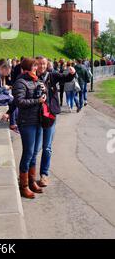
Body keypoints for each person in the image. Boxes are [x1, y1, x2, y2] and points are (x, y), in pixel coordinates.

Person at [35, 56, 76, 188]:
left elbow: (66, 78)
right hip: (35, 116)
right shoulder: (31, 76)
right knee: (35, 149)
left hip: (50, 115)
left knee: (47, 147)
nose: (42, 66)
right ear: (36, 64)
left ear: (47, 65)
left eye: (44, 64)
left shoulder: (52, 75)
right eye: (39, 64)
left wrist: (72, 73)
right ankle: (29, 175)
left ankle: (44, 175)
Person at [12, 58, 46, 199]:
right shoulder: (20, 82)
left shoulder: (36, 80)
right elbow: (20, 102)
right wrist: (37, 100)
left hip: (38, 120)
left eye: (36, 66)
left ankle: (32, 182)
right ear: (26, 68)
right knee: (28, 153)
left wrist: (44, 92)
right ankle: (24, 186)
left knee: (34, 154)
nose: (36, 68)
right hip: (27, 122)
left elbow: (41, 98)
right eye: (33, 66)